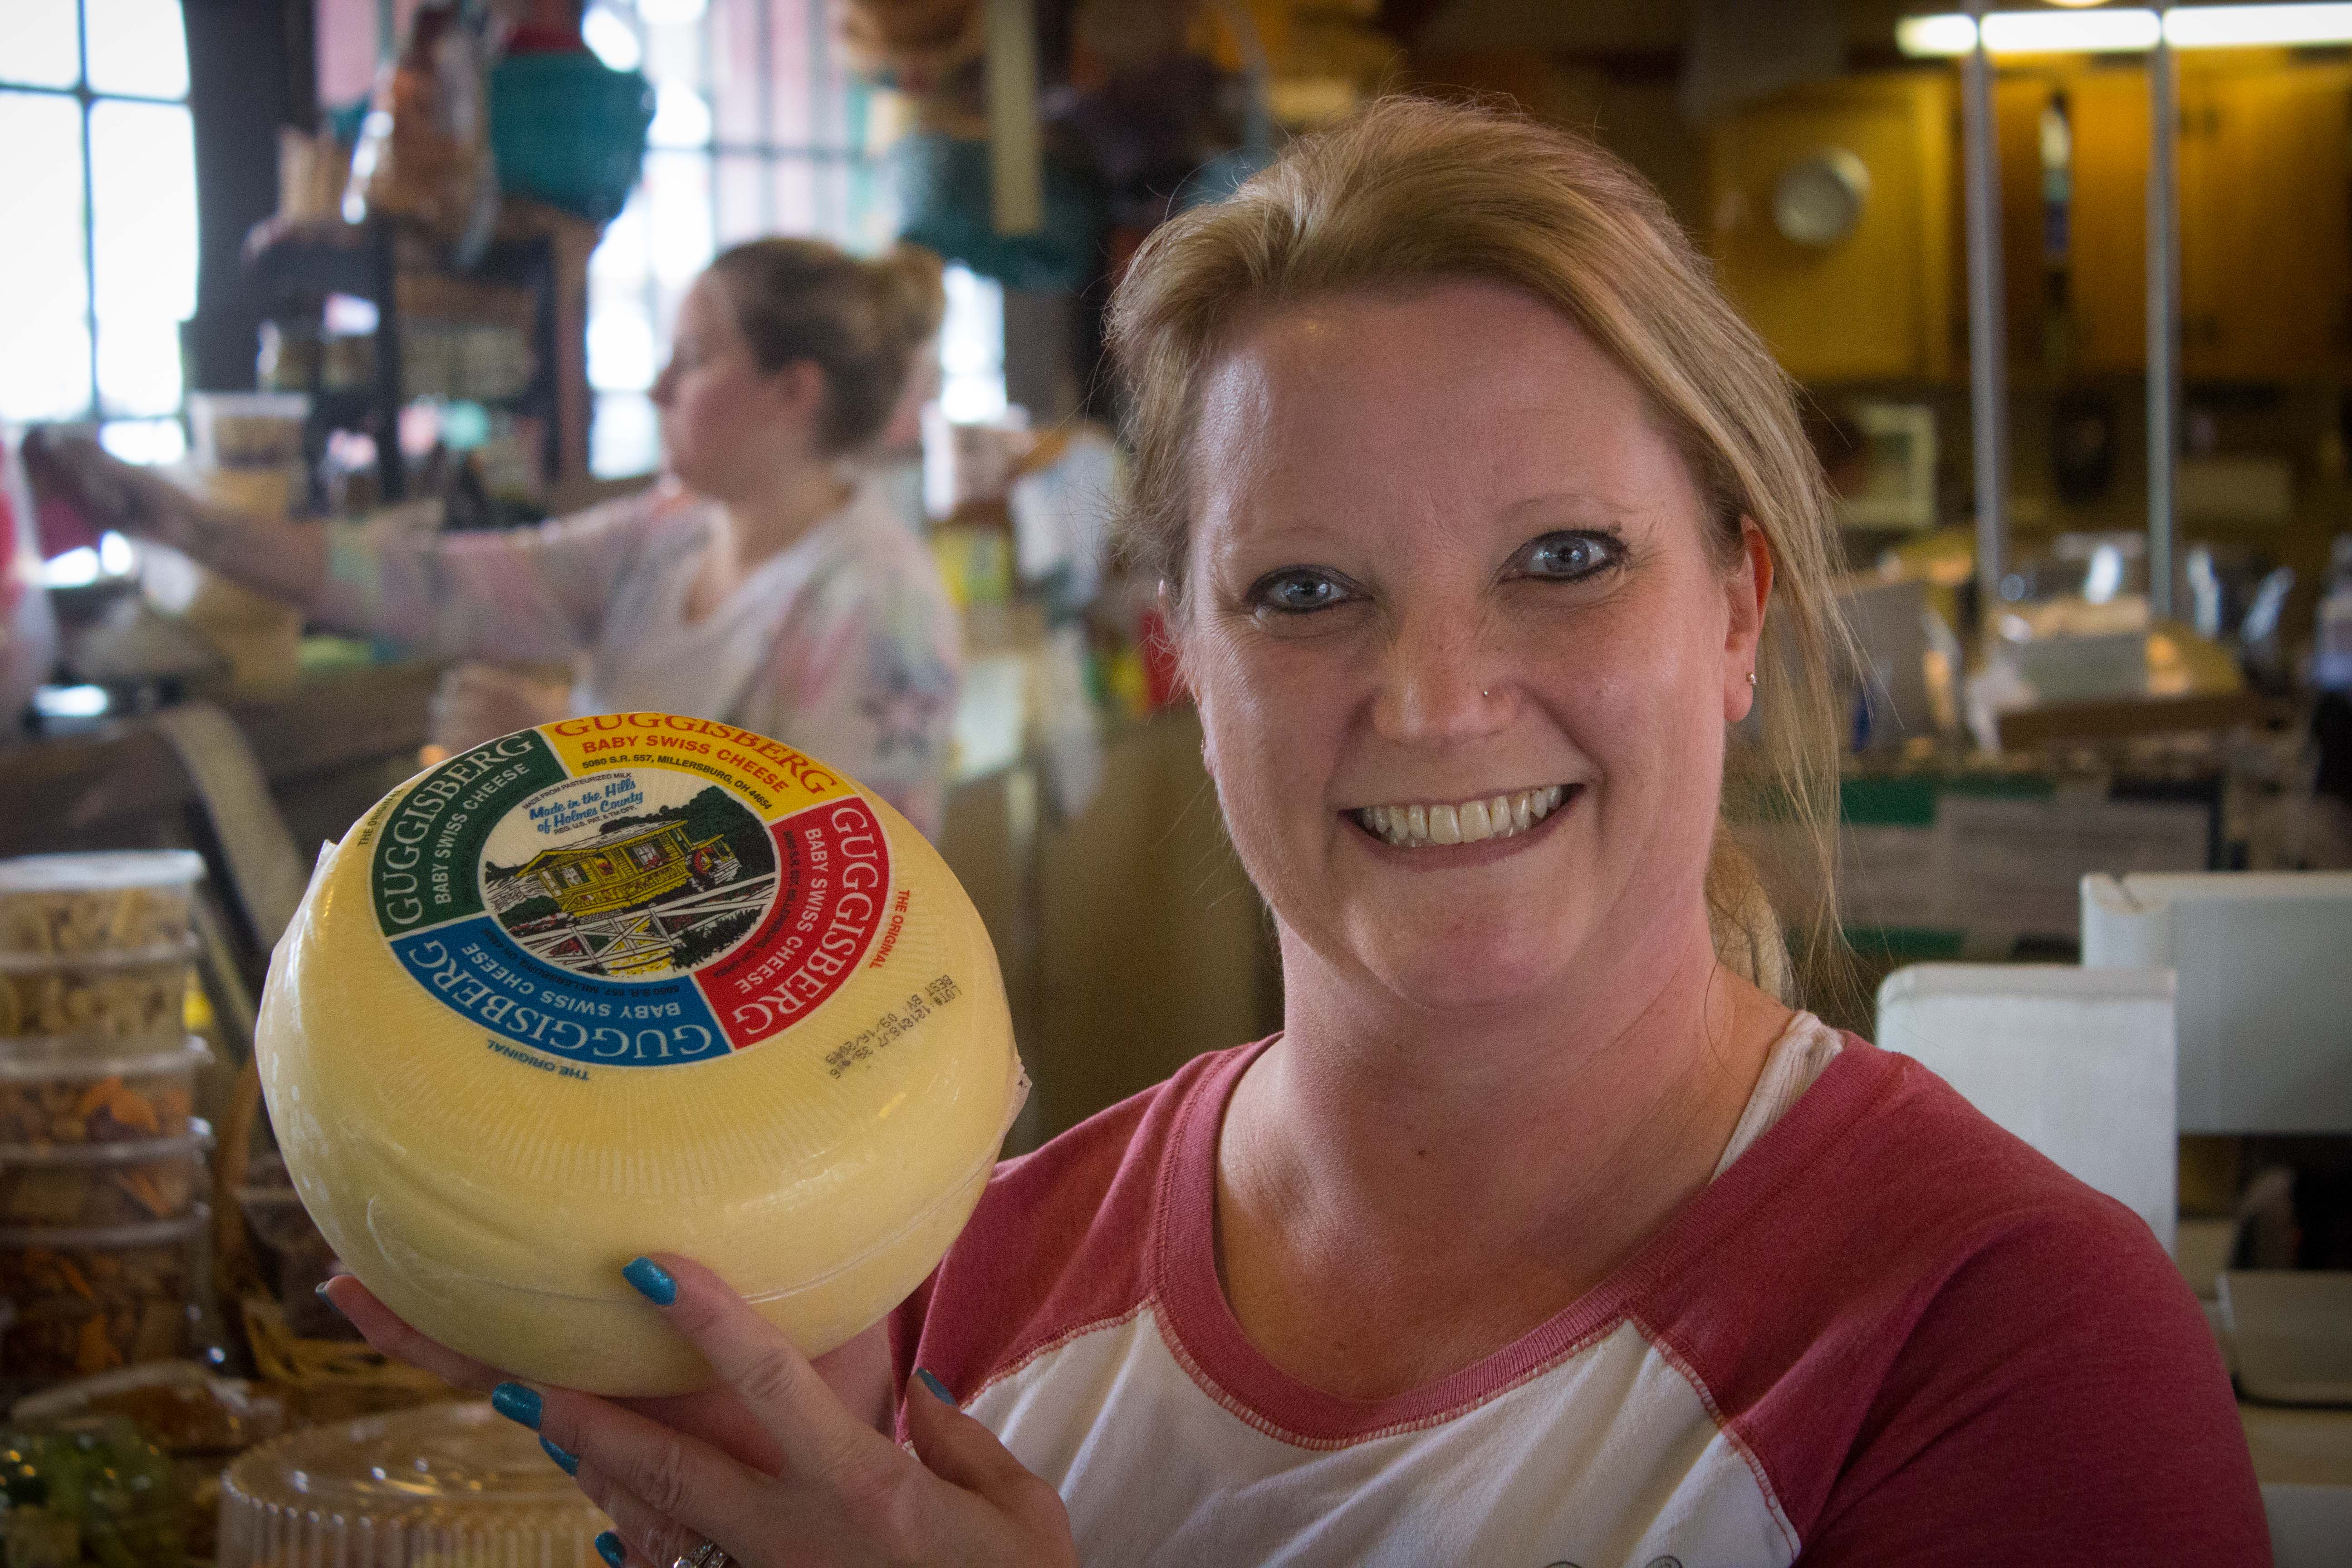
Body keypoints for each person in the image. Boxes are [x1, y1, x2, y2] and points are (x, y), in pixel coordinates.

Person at [326, 100, 2268, 1566]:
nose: (1435, 702)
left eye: (1566, 562)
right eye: (1308, 593)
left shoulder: (2005, 1343)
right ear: (1181, 659)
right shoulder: (953, 1279)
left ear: (1739, 614)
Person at [51, 240, 962, 838]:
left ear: (791, 391)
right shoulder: (668, 534)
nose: (656, 388)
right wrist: (183, 522)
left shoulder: (878, 601)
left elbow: (849, 884)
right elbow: (433, 585)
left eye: (691, 357)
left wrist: (571, 760)